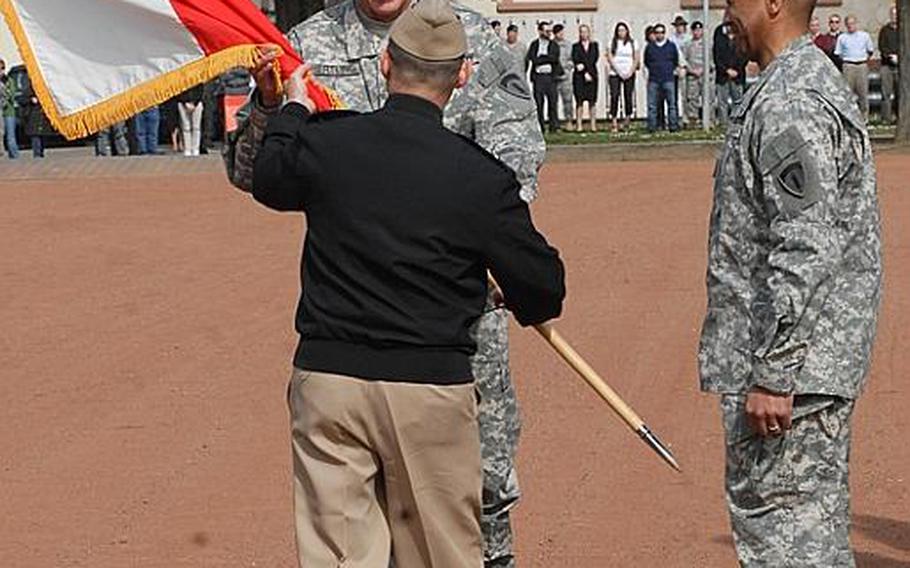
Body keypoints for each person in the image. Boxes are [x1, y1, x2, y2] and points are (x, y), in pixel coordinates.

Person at [223, 0, 546, 564]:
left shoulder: (470, 36)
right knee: (351, 524)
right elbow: (253, 171)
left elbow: (514, 161)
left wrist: (487, 254)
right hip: (354, 317)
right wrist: (275, 106)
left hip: (455, 321)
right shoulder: (306, 46)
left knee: (479, 494)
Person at [699, 0, 883, 565]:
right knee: (809, 533)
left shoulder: (790, 100)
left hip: (791, 377)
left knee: (787, 541)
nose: (726, 11)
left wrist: (776, 371)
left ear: (774, 4)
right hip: (805, 364)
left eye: (735, 0)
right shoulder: (795, 83)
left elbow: (806, 241)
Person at [835, 15, 875, 120]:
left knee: (863, 93)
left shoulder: (864, 36)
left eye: (852, 23)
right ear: (846, 25)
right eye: (848, 24)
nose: (850, 26)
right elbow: (838, 53)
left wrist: (864, 58)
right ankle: (850, 117)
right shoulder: (842, 37)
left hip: (861, 65)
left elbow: (870, 50)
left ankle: (864, 118)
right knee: (848, 94)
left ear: (856, 24)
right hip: (848, 65)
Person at [643, 23, 679, 133]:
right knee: (652, 105)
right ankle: (652, 127)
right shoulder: (649, 47)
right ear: (654, 34)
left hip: (668, 79)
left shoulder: (671, 46)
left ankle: (673, 126)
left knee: (672, 105)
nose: (659, 35)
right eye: (657, 32)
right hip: (654, 79)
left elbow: (675, 61)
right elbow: (647, 62)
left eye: (662, 32)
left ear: (665, 33)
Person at [526, 21, 561, 133]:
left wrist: (542, 57)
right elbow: (533, 59)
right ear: (540, 31)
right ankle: (540, 127)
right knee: (539, 104)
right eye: (546, 31)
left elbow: (554, 58)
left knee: (553, 103)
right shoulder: (535, 44)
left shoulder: (553, 45)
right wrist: (545, 58)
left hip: (550, 77)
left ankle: (553, 127)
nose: (549, 33)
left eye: (550, 31)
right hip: (538, 78)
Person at [713, 14, 746, 128]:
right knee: (722, 102)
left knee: (738, 101)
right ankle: (724, 124)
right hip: (723, 75)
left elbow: (744, 55)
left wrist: (737, 70)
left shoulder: (741, 35)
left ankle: (737, 124)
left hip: (738, 75)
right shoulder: (719, 34)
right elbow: (717, 56)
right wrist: (726, 70)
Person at [606, 21, 637, 133]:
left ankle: (627, 120)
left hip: (629, 72)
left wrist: (630, 71)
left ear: (627, 31)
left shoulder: (633, 43)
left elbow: (636, 58)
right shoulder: (612, 43)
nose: (621, 32)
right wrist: (618, 71)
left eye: (623, 30)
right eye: (619, 30)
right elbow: (609, 57)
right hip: (615, 73)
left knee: (628, 96)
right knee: (614, 96)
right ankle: (614, 121)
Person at [571, 24, 599, 132]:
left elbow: (593, 59)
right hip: (579, 77)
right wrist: (583, 72)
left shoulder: (594, 45)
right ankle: (579, 125)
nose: (584, 34)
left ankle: (593, 125)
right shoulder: (575, 46)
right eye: (581, 32)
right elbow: (576, 59)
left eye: (585, 32)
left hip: (592, 75)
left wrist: (587, 71)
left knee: (592, 101)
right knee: (579, 101)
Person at [878, 6, 899, 124]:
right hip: (886, 65)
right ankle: (886, 118)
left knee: (900, 94)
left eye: (896, 14)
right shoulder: (884, 30)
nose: (894, 16)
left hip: (901, 66)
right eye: (892, 14)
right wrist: (890, 56)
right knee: (886, 93)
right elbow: (882, 46)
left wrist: (900, 57)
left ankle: (899, 117)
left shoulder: (903, 29)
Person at [684, 21, 706, 127]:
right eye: (695, 30)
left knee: (707, 98)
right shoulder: (688, 45)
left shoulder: (707, 44)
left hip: (705, 75)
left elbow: (711, 59)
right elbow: (684, 60)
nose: (697, 32)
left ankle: (708, 119)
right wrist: (692, 70)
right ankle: (693, 119)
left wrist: (703, 69)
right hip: (692, 75)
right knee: (692, 98)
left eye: (699, 30)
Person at [553, 24, 574, 130]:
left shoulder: (568, 45)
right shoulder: (551, 44)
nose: (561, 34)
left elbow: (572, 59)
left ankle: (569, 120)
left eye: (562, 32)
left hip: (565, 76)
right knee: (554, 101)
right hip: (553, 77)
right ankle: (555, 122)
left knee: (568, 100)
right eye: (558, 32)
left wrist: (567, 67)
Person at [669, 15, 690, 126]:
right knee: (674, 95)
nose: (679, 28)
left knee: (686, 95)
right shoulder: (671, 39)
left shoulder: (688, 38)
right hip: (675, 68)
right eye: (677, 26)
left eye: (681, 26)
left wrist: (686, 67)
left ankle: (686, 117)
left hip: (686, 68)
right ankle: (675, 117)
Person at [23, 81, 51, 158]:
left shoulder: (46, 89)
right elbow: (22, 99)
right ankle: (37, 154)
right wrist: (31, 100)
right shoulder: (29, 89)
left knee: (42, 137)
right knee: (35, 136)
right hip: (33, 115)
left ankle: (40, 153)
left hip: (43, 116)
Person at [177, 84, 205, 156]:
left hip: (197, 104)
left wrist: (195, 103)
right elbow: (179, 90)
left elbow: (201, 90)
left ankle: (195, 148)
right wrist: (185, 102)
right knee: (186, 127)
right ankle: (187, 148)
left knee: (196, 127)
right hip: (182, 103)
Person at [0, 59, 20, 159]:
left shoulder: (9, 80)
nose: (0, 71)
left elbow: (12, 94)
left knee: (11, 137)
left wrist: (6, 93)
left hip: (9, 111)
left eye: (2, 69)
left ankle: (14, 156)